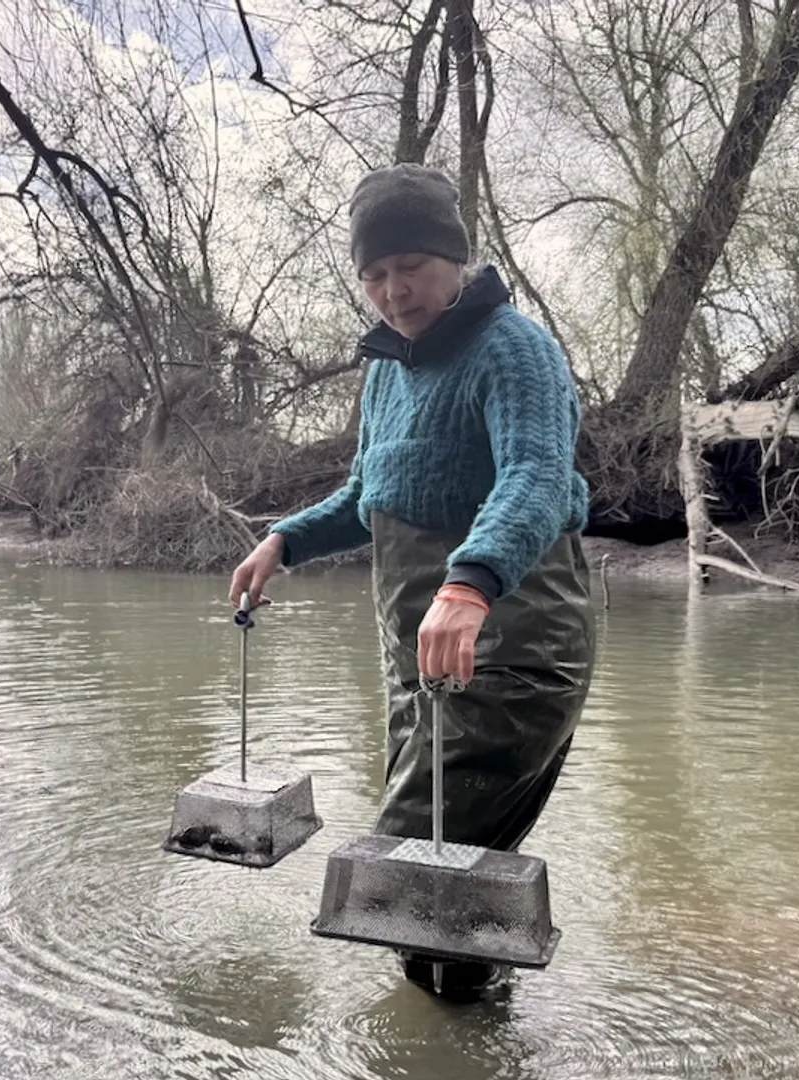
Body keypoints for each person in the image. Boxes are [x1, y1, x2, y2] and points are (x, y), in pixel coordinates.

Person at [227, 163, 596, 1001]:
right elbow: (370, 493)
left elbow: (536, 477)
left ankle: (443, 1028)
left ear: (455, 259)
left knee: (402, 878)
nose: (394, 292)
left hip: (513, 652)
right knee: (445, 907)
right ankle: (472, 1033)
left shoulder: (515, 348)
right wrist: (284, 541)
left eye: (412, 269)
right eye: (375, 276)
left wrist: (469, 584)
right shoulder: (388, 370)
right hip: (419, 669)